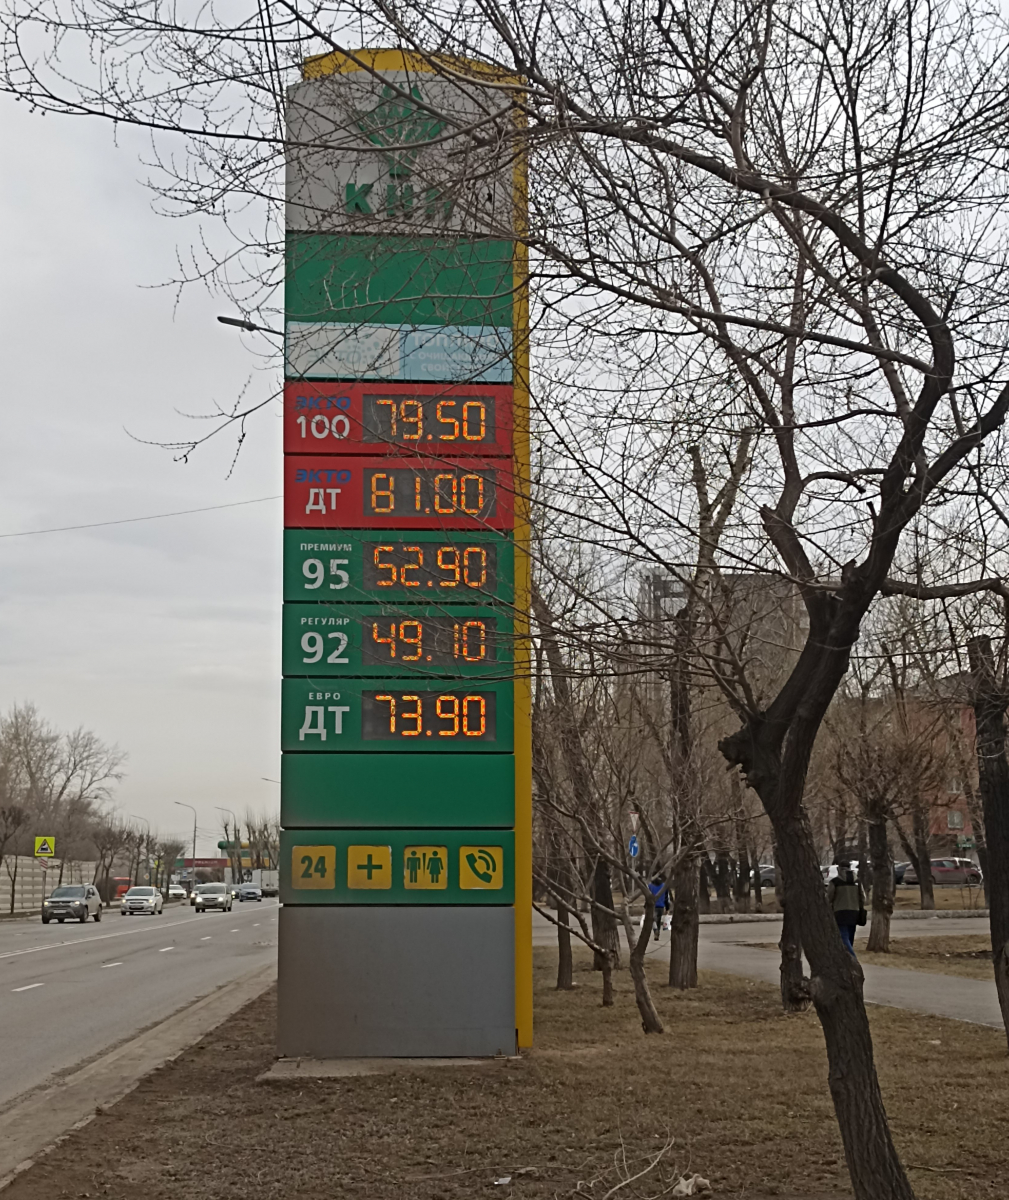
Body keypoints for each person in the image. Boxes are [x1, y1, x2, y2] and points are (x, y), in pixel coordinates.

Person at [826, 859, 865, 957]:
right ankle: (849, 959)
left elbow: (829, 898)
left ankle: (852, 958)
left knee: (843, 937)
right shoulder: (857, 881)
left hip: (840, 912)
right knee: (850, 938)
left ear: (839, 869)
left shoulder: (835, 882)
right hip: (855, 912)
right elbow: (863, 897)